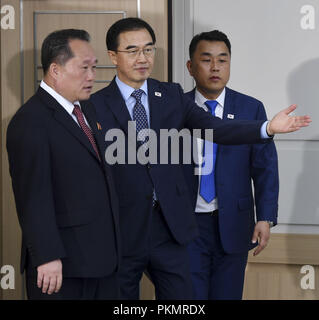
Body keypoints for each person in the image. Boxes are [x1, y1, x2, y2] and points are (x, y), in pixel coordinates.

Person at [90, 17, 310, 300]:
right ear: (112, 56)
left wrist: (266, 128)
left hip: (182, 230)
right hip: (127, 231)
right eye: (132, 51)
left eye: (148, 49)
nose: (142, 58)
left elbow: (216, 129)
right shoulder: (93, 106)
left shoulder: (169, 96)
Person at [6, 29, 120, 300]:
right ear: (55, 70)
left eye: (94, 67)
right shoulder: (30, 121)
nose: (92, 76)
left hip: (102, 261)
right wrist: (47, 256)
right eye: (84, 68)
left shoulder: (87, 109)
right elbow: (32, 196)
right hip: (61, 268)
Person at [184, 30, 279, 300]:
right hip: (186, 227)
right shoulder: (175, 108)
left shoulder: (250, 108)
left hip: (234, 223)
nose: (215, 67)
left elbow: (265, 167)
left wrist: (265, 216)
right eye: (206, 60)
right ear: (190, 67)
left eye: (222, 60)